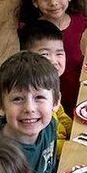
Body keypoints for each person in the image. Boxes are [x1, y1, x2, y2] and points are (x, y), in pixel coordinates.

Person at [0, 51, 59, 173]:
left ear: (56, 102)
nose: (29, 108)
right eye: (17, 99)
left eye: (39, 97)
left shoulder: (50, 126)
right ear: (0, 105)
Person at [15, 0, 87, 111]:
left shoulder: (79, 20)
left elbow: (83, 56)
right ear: (34, 1)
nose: (53, 2)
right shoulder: (29, 29)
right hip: (45, 96)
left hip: (78, 89)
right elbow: (26, 66)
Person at [20, 18, 72, 149]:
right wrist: (72, 147)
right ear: (26, 55)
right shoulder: (33, 93)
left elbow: (60, 114)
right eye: (45, 54)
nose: (54, 61)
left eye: (59, 53)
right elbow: (47, 145)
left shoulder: (50, 82)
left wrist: (76, 131)